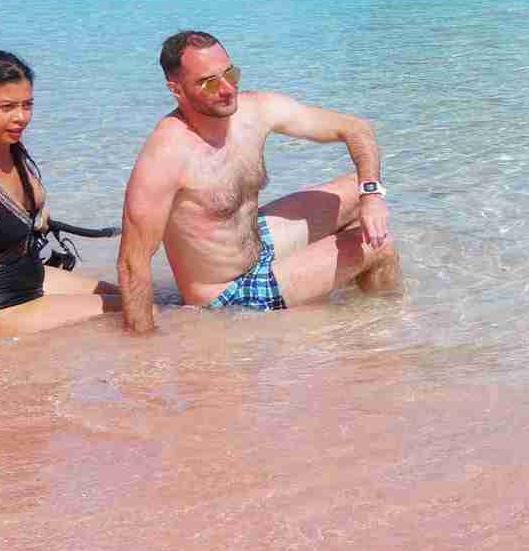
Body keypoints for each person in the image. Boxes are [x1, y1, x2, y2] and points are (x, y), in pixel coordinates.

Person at [116, 30, 400, 332]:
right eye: (209, 82)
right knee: (380, 248)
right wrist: (143, 355)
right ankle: (385, 330)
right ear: (177, 90)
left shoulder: (255, 111)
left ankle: (349, 307)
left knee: (356, 190)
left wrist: (371, 195)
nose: (227, 89)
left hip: (257, 244)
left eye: (231, 73)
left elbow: (356, 128)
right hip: (229, 293)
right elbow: (133, 264)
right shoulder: (166, 155)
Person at [0, 51, 119, 359]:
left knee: (124, 295)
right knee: (131, 311)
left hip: (29, 276)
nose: (21, 117)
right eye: (7, 107)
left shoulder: (5, 141)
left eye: (27, 104)